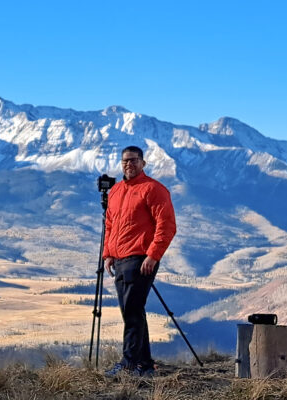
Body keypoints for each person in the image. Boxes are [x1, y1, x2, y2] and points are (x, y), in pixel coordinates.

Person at [103, 145, 176, 377]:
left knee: (132, 310)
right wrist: (108, 253)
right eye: (125, 161)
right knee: (131, 311)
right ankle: (144, 364)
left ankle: (129, 364)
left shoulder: (154, 189)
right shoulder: (115, 191)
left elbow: (167, 225)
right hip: (120, 259)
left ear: (143, 163)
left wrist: (153, 255)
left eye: (134, 160)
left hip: (140, 258)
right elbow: (110, 225)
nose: (129, 164)